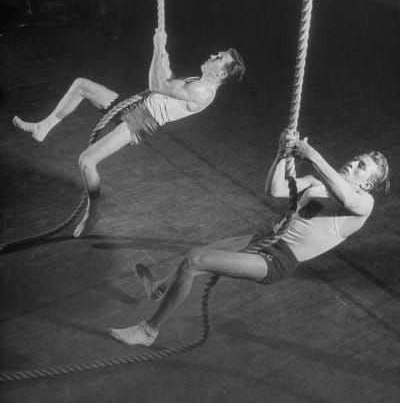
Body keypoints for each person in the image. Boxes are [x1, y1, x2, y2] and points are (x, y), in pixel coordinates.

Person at [108, 130, 390, 347]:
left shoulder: (363, 205)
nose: (352, 164)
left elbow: (342, 194)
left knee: (194, 260)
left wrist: (311, 154)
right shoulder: (318, 184)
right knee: (195, 258)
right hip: (265, 238)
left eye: (361, 167)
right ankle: (158, 289)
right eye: (354, 160)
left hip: (277, 259)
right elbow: (276, 189)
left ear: (367, 184)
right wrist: (282, 153)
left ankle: (148, 331)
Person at [12, 29, 246, 237]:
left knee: (86, 161)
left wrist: (157, 47)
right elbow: (170, 84)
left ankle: (94, 212)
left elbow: (158, 86)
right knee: (81, 85)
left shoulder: (204, 90)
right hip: (139, 105)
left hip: (142, 120)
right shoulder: (199, 80)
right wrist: (164, 59)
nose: (214, 54)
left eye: (219, 58)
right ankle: (44, 127)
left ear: (222, 74)